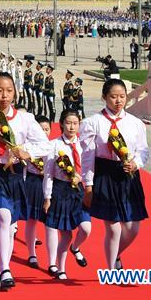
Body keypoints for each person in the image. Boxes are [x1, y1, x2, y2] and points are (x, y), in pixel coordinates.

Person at [0, 72, 49, 290]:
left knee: (11, 223)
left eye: (9, 91)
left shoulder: (25, 119)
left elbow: (45, 145)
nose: (4, 96)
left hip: (15, 175)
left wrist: (27, 151)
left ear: (15, 92)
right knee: (4, 217)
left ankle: (2, 272)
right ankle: (4, 268)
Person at [79, 78, 148, 271]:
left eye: (122, 96)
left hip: (129, 176)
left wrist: (136, 163)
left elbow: (143, 151)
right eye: (113, 97)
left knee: (133, 228)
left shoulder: (135, 123)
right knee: (113, 227)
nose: (118, 101)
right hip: (104, 174)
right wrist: (88, 185)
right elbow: (87, 156)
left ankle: (116, 254)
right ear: (104, 97)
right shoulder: (92, 123)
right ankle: (111, 270)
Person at [43, 108, 91, 281]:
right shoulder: (54, 145)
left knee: (86, 228)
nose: (72, 127)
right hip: (61, 191)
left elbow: (90, 167)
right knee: (66, 234)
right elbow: (48, 173)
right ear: (61, 124)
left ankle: (75, 248)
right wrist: (47, 197)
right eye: (68, 123)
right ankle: (61, 269)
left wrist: (85, 182)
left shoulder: (85, 144)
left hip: (79, 190)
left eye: (75, 123)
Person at [23, 115, 52, 272]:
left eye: (47, 129)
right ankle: (31, 254)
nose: (44, 132)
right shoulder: (28, 147)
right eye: (41, 129)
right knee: (32, 220)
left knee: (50, 223)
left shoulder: (53, 146)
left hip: (50, 184)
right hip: (33, 183)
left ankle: (52, 261)